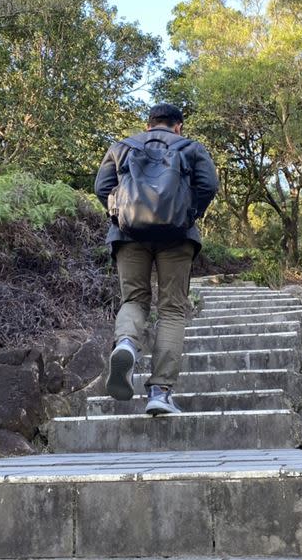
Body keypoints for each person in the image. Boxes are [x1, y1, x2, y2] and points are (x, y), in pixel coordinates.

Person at [94, 103, 219, 415]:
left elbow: (101, 187)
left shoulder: (122, 147)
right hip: (177, 238)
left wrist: (120, 214)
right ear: (178, 126)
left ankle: (125, 344)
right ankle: (160, 393)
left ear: (148, 125)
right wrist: (187, 214)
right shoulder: (190, 147)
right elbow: (208, 185)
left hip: (129, 235)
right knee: (173, 309)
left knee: (134, 299)